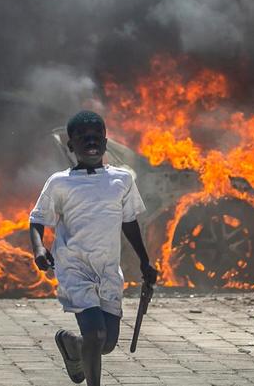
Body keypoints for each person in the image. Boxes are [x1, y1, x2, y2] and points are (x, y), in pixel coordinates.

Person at [29, 110, 158, 386]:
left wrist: (145, 262)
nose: (91, 142)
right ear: (71, 145)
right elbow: (38, 219)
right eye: (83, 137)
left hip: (108, 271)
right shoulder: (59, 183)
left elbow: (130, 222)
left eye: (96, 136)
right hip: (74, 269)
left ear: (105, 140)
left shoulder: (122, 180)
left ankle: (71, 344)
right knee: (97, 335)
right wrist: (39, 250)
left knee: (106, 343)